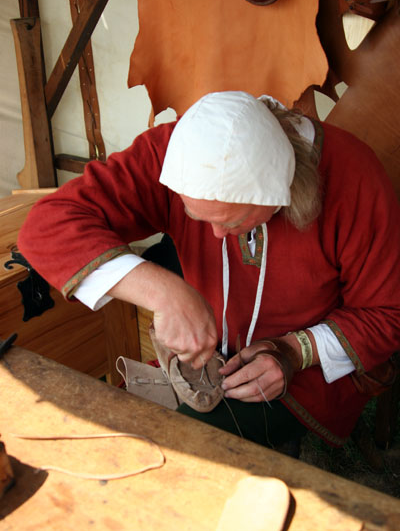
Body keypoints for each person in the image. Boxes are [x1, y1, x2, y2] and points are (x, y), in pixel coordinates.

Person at [17, 91, 400, 450]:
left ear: (283, 190)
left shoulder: (352, 177)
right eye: (198, 216)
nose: (217, 235)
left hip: (304, 375)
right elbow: (47, 226)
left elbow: (387, 313)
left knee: (181, 445)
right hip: (205, 361)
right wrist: (164, 292)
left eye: (235, 221)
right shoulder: (180, 151)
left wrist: (293, 351)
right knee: (112, 425)